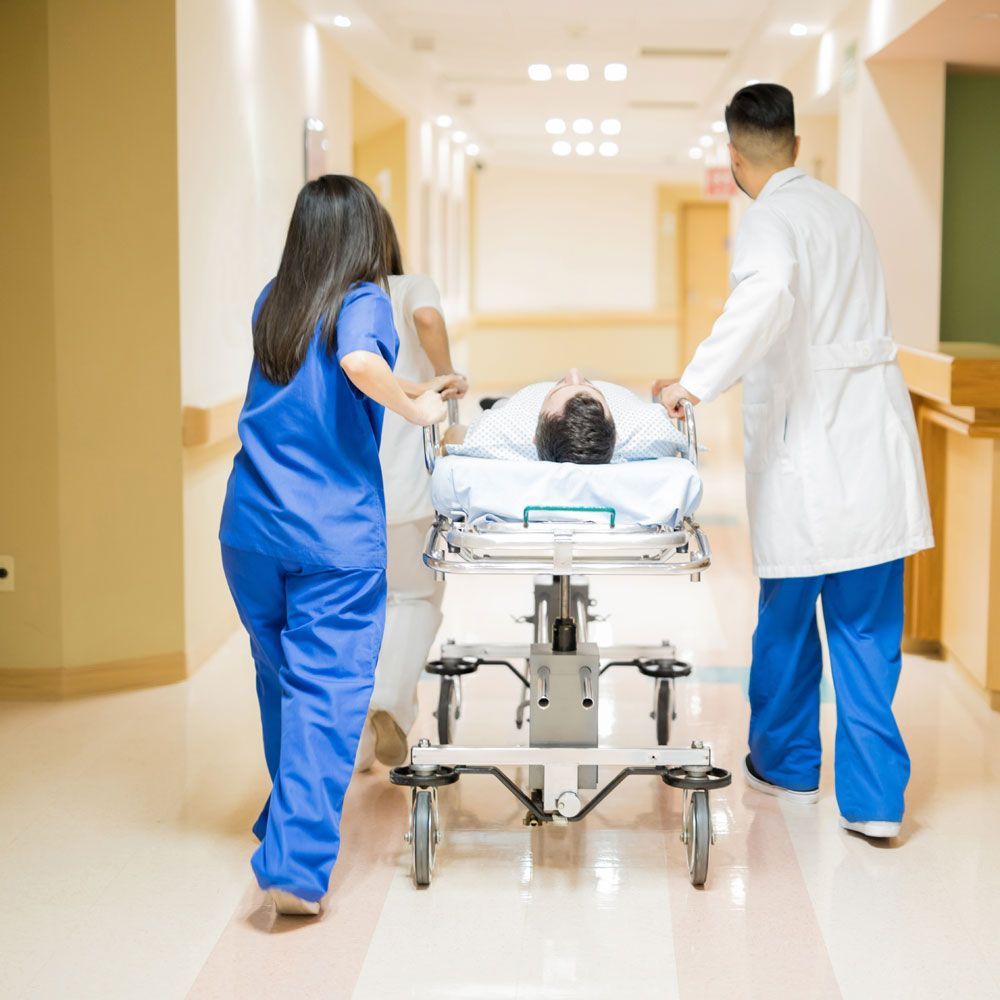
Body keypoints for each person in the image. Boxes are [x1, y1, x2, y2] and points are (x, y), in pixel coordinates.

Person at [654, 84, 933, 840]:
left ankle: (785, 765)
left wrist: (694, 381)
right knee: (868, 629)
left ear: (734, 156)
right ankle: (875, 803)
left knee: (786, 618)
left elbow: (768, 295)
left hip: (810, 448)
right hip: (869, 441)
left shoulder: (769, 220)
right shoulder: (845, 212)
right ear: (798, 147)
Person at [218, 175, 449, 916]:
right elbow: (357, 363)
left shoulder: (273, 300)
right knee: (326, 691)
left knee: (281, 681)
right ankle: (294, 864)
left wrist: (407, 391)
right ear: (364, 239)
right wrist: (417, 404)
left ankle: (286, 816)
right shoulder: (363, 301)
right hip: (330, 537)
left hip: (251, 528)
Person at [356, 207, 467, 769]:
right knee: (415, 595)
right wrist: (446, 380)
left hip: (351, 488)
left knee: (359, 606)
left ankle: (350, 739)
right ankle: (391, 704)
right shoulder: (408, 286)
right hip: (406, 482)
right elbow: (426, 318)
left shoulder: (340, 301)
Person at [443, 368, 687, 464]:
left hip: (515, 405)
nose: (574, 373)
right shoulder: (652, 437)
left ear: (534, 438)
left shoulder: (503, 431)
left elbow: (453, 437)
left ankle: (498, 403)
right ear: (616, 430)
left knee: (500, 408)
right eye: (588, 386)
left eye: (557, 389)